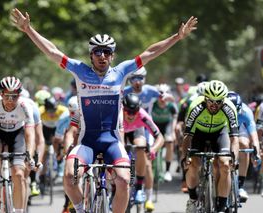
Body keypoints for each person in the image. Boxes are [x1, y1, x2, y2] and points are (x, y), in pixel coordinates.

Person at [11, 8, 197, 213]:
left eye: (107, 52)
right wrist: (29, 30)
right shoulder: (79, 70)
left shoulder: (122, 71)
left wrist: (177, 37)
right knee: (68, 177)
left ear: (112, 55)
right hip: (87, 141)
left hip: (112, 141)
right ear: (91, 55)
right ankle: (82, 209)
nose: (102, 56)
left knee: (125, 180)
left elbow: (150, 52)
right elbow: (52, 52)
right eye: (97, 52)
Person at [182, 80, 239, 213]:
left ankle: (221, 207)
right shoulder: (195, 107)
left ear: (223, 100)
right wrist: (184, 157)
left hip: (220, 133)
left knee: (225, 165)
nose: (214, 105)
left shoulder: (229, 108)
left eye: (218, 101)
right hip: (198, 134)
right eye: (211, 101)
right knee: (193, 164)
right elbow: (187, 136)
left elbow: (234, 138)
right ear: (205, 98)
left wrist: (234, 158)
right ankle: (192, 199)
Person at [0, 76, 36, 213]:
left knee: (18, 174)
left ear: (19, 95)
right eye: (7, 96)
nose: (10, 100)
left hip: (17, 134)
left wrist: (30, 156)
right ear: (1, 94)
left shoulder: (25, 107)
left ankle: (19, 211)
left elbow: (30, 134)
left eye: (14, 96)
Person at [123, 93, 165, 211]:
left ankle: (139, 188)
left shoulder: (143, 115)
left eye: (134, 112)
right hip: (120, 131)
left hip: (136, 131)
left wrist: (153, 149)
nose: (131, 115)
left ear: (138, 110)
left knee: (141, 147)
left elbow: (160, 137)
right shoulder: (118, 113)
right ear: (123, 109)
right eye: (128, 111)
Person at [152, 84, 178, 183]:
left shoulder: (171, 105)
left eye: (164, 97)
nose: (162, 100)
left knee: (170, 141)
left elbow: (175, 117)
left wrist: (173, 132)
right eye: (160, 96)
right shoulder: (153, 104)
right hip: (155, 126)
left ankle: (167, 170)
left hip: (166, 125)